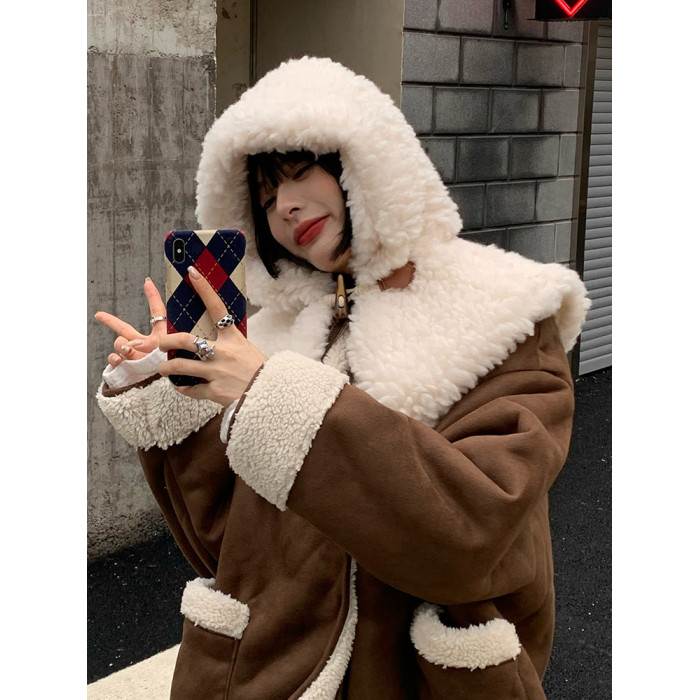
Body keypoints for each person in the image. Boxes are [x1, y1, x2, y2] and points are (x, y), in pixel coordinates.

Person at [95, 57, 590, 699]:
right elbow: (220, 543)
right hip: (269, 671)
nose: (285, 207)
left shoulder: (502, 312)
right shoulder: (273, 337)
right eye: (266, 200)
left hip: (413, 677)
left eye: (300, 172)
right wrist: (167, 388)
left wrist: (273, 395)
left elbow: (472, 533)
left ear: (364, 160)